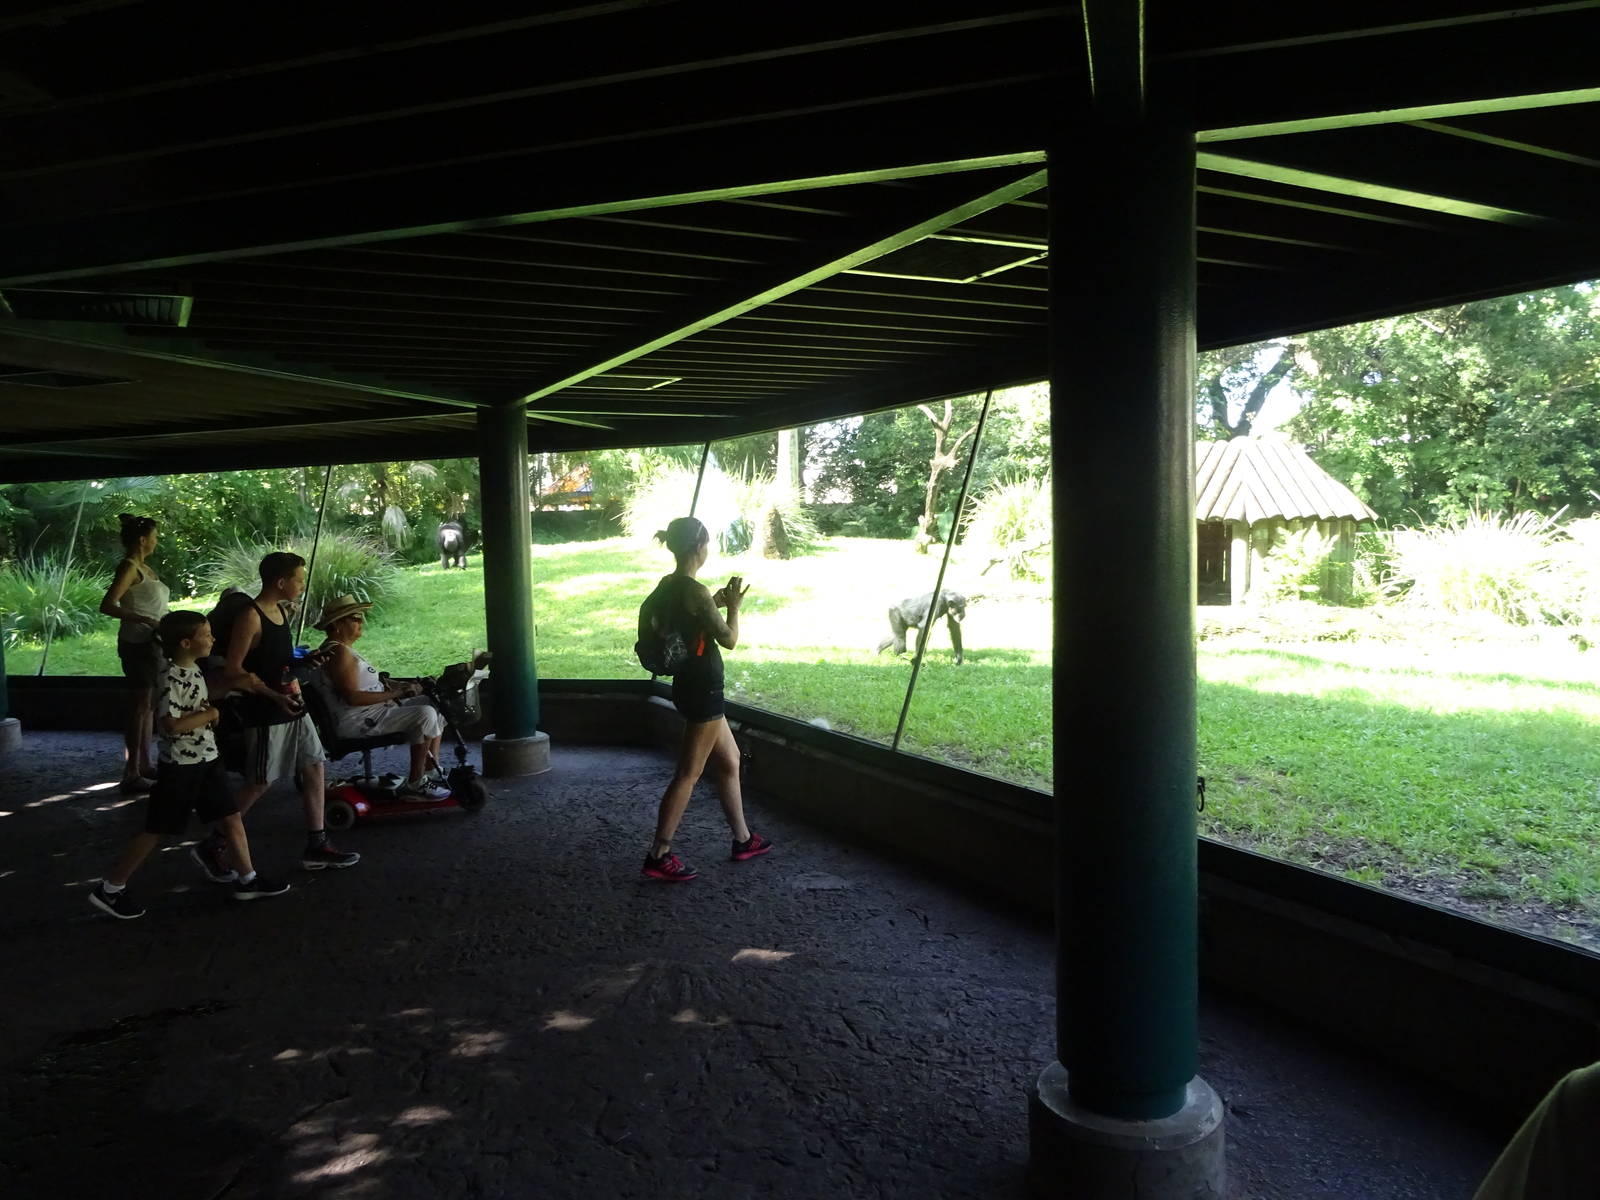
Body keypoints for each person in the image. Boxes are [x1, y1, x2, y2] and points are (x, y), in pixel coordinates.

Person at [87, 611, 290, 919]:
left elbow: (199, 700)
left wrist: (231, 689)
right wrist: (210, 716)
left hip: (206, 758)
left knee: (231, 816)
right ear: (185, 642)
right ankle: (111, 888)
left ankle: (248, 879)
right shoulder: (169, 678)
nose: (213, 638)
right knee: (157, 828)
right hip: (182, 765)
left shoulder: (193, 669)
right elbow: (170, 725)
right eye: (206, 634)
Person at [195, 551, 360, 877]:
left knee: (314, 765)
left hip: (291, 703)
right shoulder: (251, 617)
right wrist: (273, 694)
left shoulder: (280, 613)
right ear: (281, 582)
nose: (302, 584)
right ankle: (214, 842)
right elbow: (235, 671)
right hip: (267, 710)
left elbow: (276, 664)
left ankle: (317, 844)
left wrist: (304, 663)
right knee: (260, 781)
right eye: (298, 579)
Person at [637, 516, 772, 882]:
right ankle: (659, 854)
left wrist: (711, 603)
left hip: (686, 685)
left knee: (729, 760)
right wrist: (734, 606)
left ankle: (743, 840)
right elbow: (728, 638)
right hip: (704, 689)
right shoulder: (694, 591)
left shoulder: (667, 585)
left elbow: (679, 622)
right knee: (688, 773)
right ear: (700, 547)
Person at [305, 593, 450, 800]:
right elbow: (352, 698)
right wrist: (399, 692)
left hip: (369, 713)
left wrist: (401, 686)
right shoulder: (339, 653)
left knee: (434, 703)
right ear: (337, 624)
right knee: (425, 713)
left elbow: (368, 685)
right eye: (355, 618)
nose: (361, 622)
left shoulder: (341, 650)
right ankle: (416, 783)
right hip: (357, 720)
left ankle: (430, 769)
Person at [98, 513, 169, 792]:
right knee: (140, 707)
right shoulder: (129, 567)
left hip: (155, 642)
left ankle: (144, 764)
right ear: (143, 540)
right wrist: (142, 619)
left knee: (148, 706)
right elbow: (108, 604)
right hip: (138, 643)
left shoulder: (146, 569)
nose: (156, 541)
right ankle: (131, 772)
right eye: (154, 536)